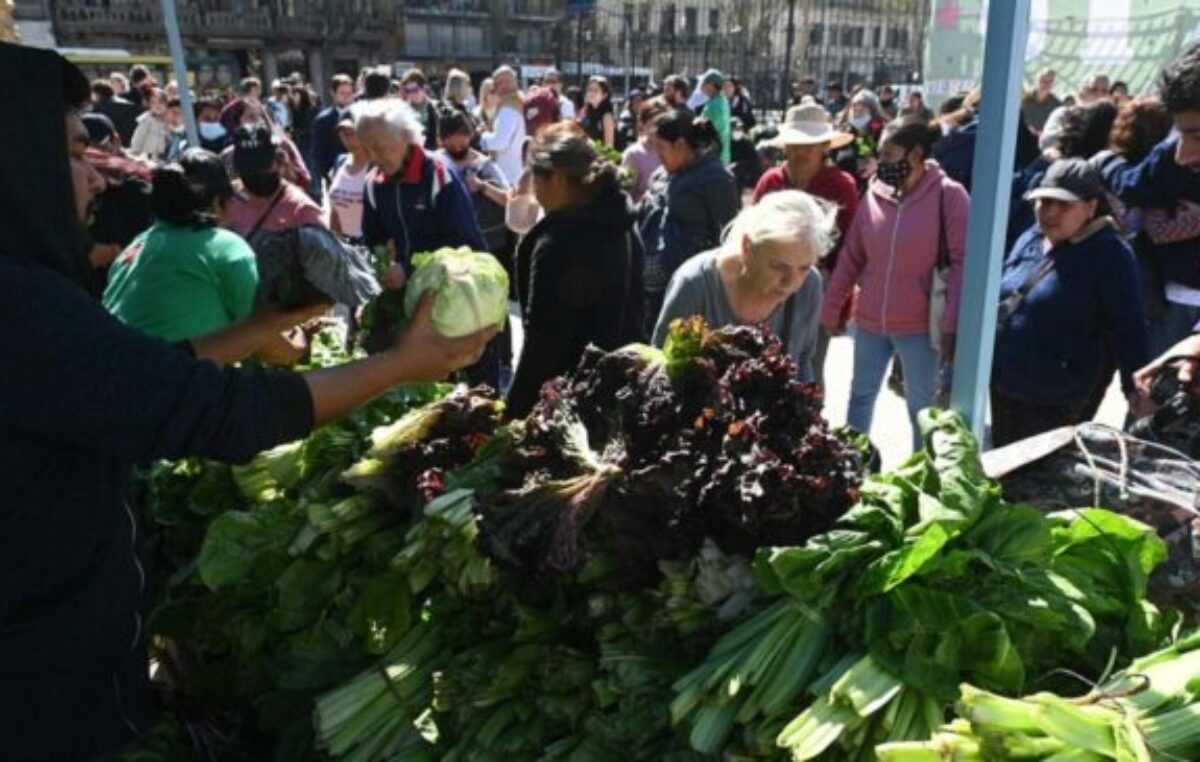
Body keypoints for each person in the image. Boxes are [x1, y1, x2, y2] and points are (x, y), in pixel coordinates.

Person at [0, 46, 495, 762]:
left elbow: (140, 382)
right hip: (40, 697)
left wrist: (262, 327)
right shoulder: (21, 311)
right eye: (78, 151)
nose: (97, 177)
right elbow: (219, 413)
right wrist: (400, 365)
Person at [821, 117, 969, 452]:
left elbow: (961, 263)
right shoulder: (874, 193)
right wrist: (832, 306)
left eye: (889, 155)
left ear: (916, 155)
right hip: (871, 321)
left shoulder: (949, 196)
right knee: (860, 398)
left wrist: (951, 324)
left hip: (920, 328)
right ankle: (853, 469)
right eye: (880, 155)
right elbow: (852, 255)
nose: (882, 163)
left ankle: (920, 483)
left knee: (922, 411)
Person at [991, 159, 1149, 446]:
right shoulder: (1031, 237)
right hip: (1005, 382)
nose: (1050, 212)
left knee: (1040, 481)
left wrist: (1135, 388)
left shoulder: (1110, 254)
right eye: (1044, 201)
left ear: (1090, 206)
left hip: (1057, 397)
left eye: (1064, 205)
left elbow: (1128, 326)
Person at [506, 122, 643, 416]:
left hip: (570, 406)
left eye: (535, 180)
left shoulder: (559, 244)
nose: (534, 191)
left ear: (556, 178)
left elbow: (543, 345)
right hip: (624, 394)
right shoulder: (622, 224)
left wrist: (513, 414)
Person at [654, 190, 832, 381]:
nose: (791, 283)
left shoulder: (810, 285)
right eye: (778, 267)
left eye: (804, 268)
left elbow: (804, 362)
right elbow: (661, 373)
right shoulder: (694, 285)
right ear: (747, 247)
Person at [101, 149, 261, 344]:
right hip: (171, 371)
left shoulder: (134, 249)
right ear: (218, 202)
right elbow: (269, 340)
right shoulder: (227, 248)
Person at [755, 102, 859, 387]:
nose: (800, 152)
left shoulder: (841, 185)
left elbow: (849, 251)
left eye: (808, 145)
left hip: (818, 287)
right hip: (767, 283)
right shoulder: (770, 181)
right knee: (760, 360)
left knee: (808, 364)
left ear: (825, 146)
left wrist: (839, 305)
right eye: (794, 144)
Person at [358, 99, 486, 283]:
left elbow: (464, 245)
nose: (373, 158)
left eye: (379, 148)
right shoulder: (373, 184)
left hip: (449, 292)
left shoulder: (439, 175)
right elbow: (372, 241)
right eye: (367, 149)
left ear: (405, 136)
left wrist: (408, 270)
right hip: (401, 295)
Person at [637, 109, 739, 327]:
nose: (658, 155)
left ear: (681, 145)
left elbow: (730, 236)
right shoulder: (661, 175)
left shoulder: (716, 180)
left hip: (694, 290)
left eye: (662, 147)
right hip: (652, 290)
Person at [226, 123, 323, 240]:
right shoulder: (226, 199)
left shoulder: (302, 210)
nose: (256, 173)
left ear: (277, 161)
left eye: (263, 166)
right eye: (248, 169)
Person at [437, 110, 511, 257]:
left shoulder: (485, 164)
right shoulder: (436, 164)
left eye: (462, 145)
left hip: (489, 245)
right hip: (450, 247)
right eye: (452, 147)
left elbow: (508, 199)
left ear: (469, 137)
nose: (458, 150)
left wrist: (482, 187)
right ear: (442, 141)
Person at [327, 113, 372, 241]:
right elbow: (334, 210)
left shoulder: (376, 166)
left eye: (352, 132)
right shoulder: (340, 161)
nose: (347, 137)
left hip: (367, 245)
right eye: (343, 132)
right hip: (343, 246)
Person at [480, 65, 527, 185]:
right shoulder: (520, 102)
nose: (495, 88)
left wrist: (482, 136)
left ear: (504, 84)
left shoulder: (508, 110)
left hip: (508, 176)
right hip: (518, 173)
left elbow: (499, 142)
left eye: (496, 84)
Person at [312, 74, 357, 193]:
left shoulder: (361, 117)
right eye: (342, 93)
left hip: (360, 176)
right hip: (336, 177)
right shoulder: (323, 120)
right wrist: (330, 174)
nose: (347, 97)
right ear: (333, 93)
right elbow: (319, 154)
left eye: (350, 93)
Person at [89, 79, 139, 147]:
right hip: (133, 143)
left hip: (114, 146)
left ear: (96, 94)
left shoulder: (97, 109)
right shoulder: (129, 104)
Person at [401, 68, 441, 151]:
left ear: (423, 88)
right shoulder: (403, 110)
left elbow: (439, 140)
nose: (411, 94)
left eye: (414, 89)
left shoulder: (435, 108)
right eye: (408, 90)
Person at [699, 69, 732, 164]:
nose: (701, 86)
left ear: (712, 85)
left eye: (704, 82)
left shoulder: (715, 105)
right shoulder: (720, 100)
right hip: (721, 155)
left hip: (714, 157)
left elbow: (710, 130)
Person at [129, 87, 171, 160]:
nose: (158, 105)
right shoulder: (146, 120)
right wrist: (135, 153)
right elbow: (138, 138)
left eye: (160, 102)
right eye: (154, 103)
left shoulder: (168, 120)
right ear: (150, 105)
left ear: (166, 104)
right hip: (148, 157)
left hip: (164, 157)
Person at [578, 75, 616, 148]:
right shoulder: (583, 111)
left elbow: (609, 150)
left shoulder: (607, 116)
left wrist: (590, 143)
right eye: (589, 90)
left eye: (596, 90)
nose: (591, 93)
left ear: (604, 95)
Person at [1022, 68, 1062, 135]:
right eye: (1043, 80)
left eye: (1050, 81)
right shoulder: (1024, 99)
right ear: (1036, 81)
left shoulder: (1057, 105)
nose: (1046, 84)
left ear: (1053, 84)